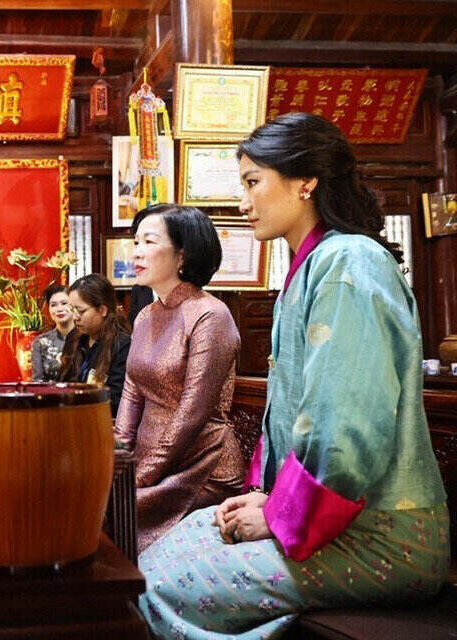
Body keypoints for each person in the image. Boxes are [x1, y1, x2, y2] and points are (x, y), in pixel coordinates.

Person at [139, 113, 449, 640]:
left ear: (305, 181)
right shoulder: (313, 265)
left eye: (252, 182)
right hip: (330, 520)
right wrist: (266, 498)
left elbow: (346, 426)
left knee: (158, 585)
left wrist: (279, 516)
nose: (242, 202)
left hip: (381, 536)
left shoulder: (349, 262)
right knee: (163, 551)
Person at [114, 204, 245, 554]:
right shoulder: (145, 316)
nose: (136, 251)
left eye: (149, 241)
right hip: (150, 464)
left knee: (107, 513)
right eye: (136, 241)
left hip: (201, 467)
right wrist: (116, 460)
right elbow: (132, 394)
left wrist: (142, 477)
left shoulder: (210, 315)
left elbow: (193, 412)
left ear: (182, 254)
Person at [58, 274, 131, 417]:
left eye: (81, 311)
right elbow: (62, 382)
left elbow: (116, 399)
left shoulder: (122, 344)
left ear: (102, 310)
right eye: (72, 310)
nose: (75, 317)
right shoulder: (74, 337)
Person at [30, 283, 73, 381]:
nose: (59, 309)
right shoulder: (41, 342)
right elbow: (38, 381)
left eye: (64, 303)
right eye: (53, 305)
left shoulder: (86, 337)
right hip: (49, 391)